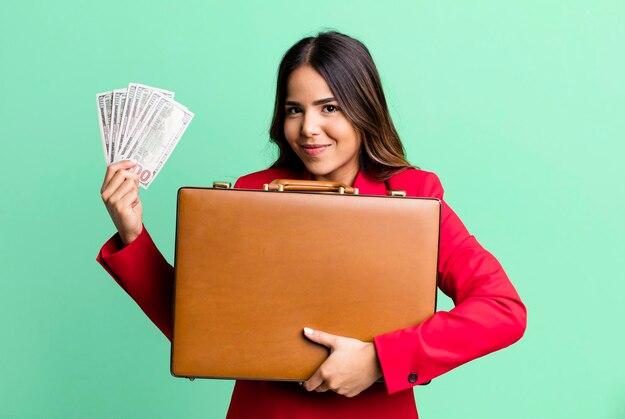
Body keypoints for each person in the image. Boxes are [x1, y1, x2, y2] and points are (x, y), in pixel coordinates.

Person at [97, 31, 527, 418]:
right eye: (294, 110)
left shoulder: (415, 197)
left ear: (364, 109)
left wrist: (380, 360)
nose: (309, 129)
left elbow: (502, 309)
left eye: (329, 107)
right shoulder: (251, 195)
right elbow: (202, 332)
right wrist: (133, 233)